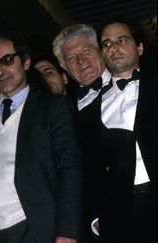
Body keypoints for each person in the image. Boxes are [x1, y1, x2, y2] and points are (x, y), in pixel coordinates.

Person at [0, 32, 82, 243]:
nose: (0, 70)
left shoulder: (54, 107)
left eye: (7, 60)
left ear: (26, 61)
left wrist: (67, 231)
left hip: (40, 227)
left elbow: (70, 169)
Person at [89, 16, 155, 243]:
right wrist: (95, 215)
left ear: (140, 47)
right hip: (121, 213)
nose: (113, 48)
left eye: (122, 40)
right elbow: (89, 167)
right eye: (106, 43)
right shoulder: (89, 112)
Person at [52, 25, 113, 243]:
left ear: (100, 49)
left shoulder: (137, 85)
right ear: (63, 66)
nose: (81, 61)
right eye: (71, 57)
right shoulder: (63, 113)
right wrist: (94, 215)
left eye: (86, 51)